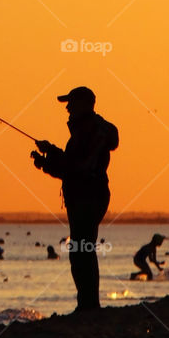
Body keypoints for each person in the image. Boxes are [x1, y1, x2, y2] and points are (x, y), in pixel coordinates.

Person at [31, 86, 118, 311]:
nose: (67, 108)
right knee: (83, 249)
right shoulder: (91, 130)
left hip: (86, 196)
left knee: (81, 252)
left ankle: (88, 306)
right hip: (91, 194)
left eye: (71, 103)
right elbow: (73, 162)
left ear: (82, 104)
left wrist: (46, 164)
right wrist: (51, 150)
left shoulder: (87, 131)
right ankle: (88, 304)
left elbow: (75, 168)